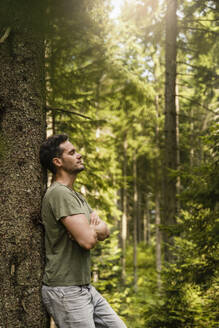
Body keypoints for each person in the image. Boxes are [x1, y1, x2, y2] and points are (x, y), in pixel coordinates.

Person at [39, 134, 127, 328]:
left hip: (84, 287)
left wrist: (90, 229)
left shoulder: (76, 196)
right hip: (65, 290)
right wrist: (89, 230)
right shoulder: (59, 194)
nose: (79, 155)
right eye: (72, 152)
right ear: (58, 162)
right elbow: (88, 241)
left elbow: (104, 231)